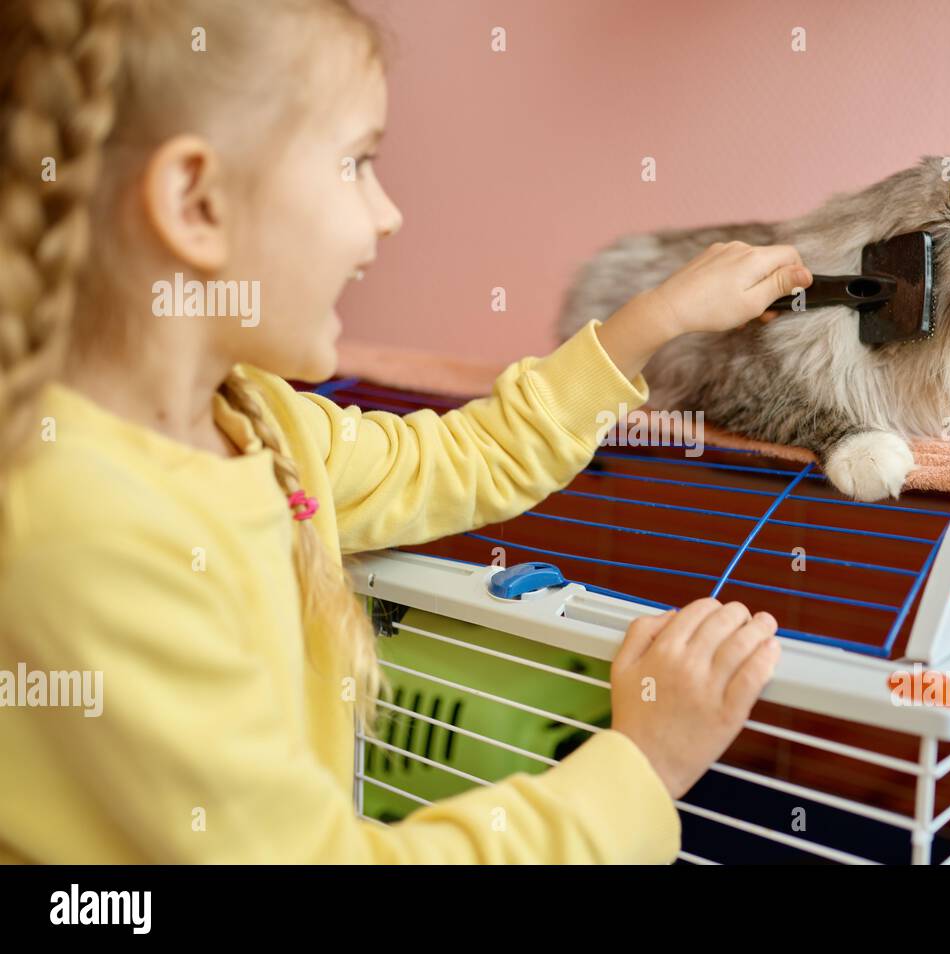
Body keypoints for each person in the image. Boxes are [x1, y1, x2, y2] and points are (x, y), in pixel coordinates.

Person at [0, 0, 813, 863]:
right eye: (356, 163)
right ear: (195, 203)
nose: (387, 215)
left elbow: (464, 457)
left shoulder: (256, 420)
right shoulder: (87, 532)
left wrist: (654, 319)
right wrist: (643, 763)